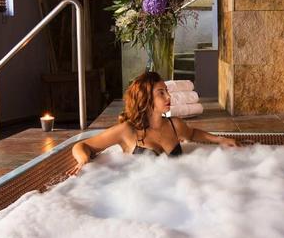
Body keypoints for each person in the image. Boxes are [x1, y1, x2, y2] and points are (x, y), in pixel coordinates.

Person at [71, 71, 239, 173]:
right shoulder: (128, 131)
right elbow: (81, 146)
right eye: (161, 93)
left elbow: (192, 133)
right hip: (142, 197)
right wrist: (83, 160)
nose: (168, 96)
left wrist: (220, 140)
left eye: (166, 91)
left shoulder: (174, 125)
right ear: (145, 98)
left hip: (180, 190)